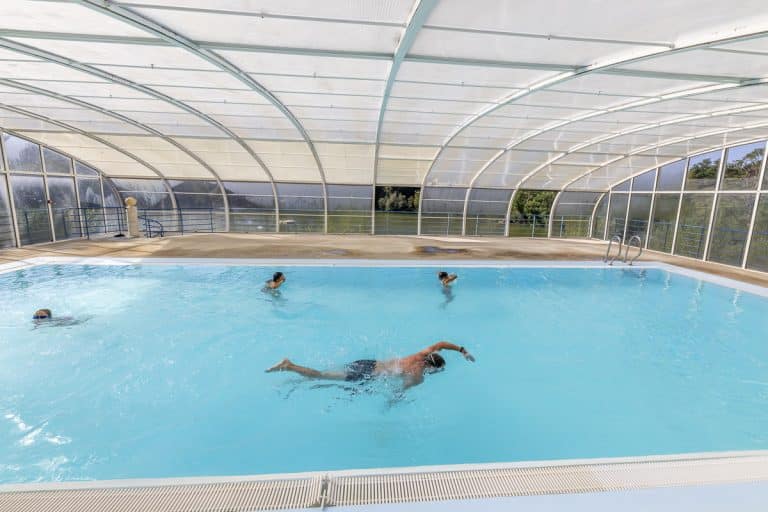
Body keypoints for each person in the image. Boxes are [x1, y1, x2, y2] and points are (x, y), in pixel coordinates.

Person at [266, 341, 475, 390]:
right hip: (366, 374)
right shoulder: (418, 376)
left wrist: (462, 350)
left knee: (330, 374)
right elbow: (400, 391)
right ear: (432, 367)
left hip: (368, 362)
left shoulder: (419, 355)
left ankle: (294, 375)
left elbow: (441, 344)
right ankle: (290, 366)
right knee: (322, 376)